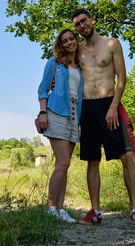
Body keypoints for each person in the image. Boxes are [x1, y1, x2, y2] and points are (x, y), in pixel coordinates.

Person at [70, 8, 135, 225]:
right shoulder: (77, 50)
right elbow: (65, 70)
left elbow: (122, 78)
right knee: (92, 161)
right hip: (87, 108)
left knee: (126, 156)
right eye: (77, 24)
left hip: (109, 104)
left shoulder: (112, 43)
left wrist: (113, 106)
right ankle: (95, 212)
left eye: (84, 21)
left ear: (92, 21)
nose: (82, 26)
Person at [38, 29, 83, 223]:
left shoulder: (81, 66)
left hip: (75, 116)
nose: (68, 43)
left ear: (76, 40)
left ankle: (61, 209)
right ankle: (50, 207)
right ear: (61, 44)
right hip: (56, 112)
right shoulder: (54, 63)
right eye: (64, 41)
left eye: (71, 39)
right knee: (63, 162)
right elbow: (42, 88)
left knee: (64, 165)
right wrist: (42, 112)